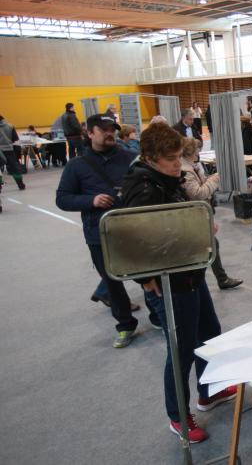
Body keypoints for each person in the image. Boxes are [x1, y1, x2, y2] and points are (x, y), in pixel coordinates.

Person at [120, 123, 235, 443]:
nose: (177, 163)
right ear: (150, 158)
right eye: (170, 159)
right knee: (181, 351)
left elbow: (176, 221)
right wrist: (146, 279)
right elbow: (128, 239)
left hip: (190, 271)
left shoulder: (167, 179)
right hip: (169, 282)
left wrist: (199, 227)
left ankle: (208, 391)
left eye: (178, 157)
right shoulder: (142, 188)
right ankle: (178, 417)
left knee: (209, 334)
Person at [55, 114, 145, 347]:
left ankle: (157, 316)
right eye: (103, 129)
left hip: (134, 229)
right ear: (89, 132)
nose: (110, 133)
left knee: (147, 275)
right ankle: (125, 325)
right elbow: (62, 199)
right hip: (99, 235)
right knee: (112, 282)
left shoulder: (131, 158)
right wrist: (91, 201)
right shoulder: (77, 166)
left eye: (112, 129)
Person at [181, 137, 243, 290]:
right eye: (196, 150)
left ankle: (220, 279)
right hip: (194, 216)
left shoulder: (191, 167)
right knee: (209, 246)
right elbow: (198, 193)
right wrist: (214, 180)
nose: (198, 152)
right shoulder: (186, 170)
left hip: (200, 215)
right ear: (190, 152)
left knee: (212, 244)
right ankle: (212, 280)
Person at [0, 115, 26, 191]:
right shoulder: (10, 126)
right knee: (15, 168)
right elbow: (15, 139)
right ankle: (20, 184)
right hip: (9, 150)